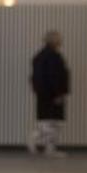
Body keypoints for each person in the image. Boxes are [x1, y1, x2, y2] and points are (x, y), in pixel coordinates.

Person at [29, 30, 71, 158]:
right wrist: (58, 93)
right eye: (59, 39)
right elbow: (54, 76)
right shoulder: (53, 57)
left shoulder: (39, 56)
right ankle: (46, 146)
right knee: (53, 122)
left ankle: (41, 143)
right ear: (54, 41)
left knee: (46, 121)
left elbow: (35, 77)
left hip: (43, 94)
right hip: (52, 94)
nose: (61, 41)